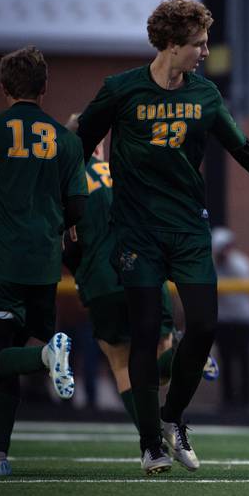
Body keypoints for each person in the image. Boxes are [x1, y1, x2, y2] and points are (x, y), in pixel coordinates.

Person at [75, 0, 249, 475]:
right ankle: (150, 445)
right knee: (145, 336)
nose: (205, 51)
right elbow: (76, 151)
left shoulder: (205, 96)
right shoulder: (120, 90)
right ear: (170, 44)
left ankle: (173, 418)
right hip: (136, 233)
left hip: (188, 229)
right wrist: (64, 212)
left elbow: (244, 149)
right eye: (198, 44)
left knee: (205, 325)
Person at [0, 46, 87, 476]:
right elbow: (78, 207)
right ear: (44, 88)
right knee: (14, 350)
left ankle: (47, 357)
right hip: (43, 264)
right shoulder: (65, 142)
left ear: (3, 86)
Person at [61, 118, 217, 430]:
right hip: (143, 270)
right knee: (159, 354)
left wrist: (81, 274)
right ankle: (188, 353)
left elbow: (68, 245)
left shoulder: (67, 183)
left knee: (121, 361)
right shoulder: (125, 170)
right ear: (100, 143)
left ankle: (153, 440)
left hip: (100, 278)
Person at [211, 227, 249, 409]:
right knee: (226, 361)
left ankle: (246, 402)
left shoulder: (240, 263)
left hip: (242, 320)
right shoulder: (212, 265)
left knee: (244, 360)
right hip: (223, 320)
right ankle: (228, 401)